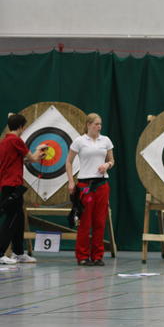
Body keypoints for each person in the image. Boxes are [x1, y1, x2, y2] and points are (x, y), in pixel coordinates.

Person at [65, 113, 114, 266]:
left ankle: (97, 256)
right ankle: (82, 256)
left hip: (102, 185)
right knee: (85, 222)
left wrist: (107, 165)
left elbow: (112, 160)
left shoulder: (106, 140)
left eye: (100, 124)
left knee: (100, 222)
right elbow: (68, 162)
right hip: (85, 186)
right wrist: (71, 181)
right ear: (88, 125)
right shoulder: (79, 141)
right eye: (96, 124)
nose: (99, 127)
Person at [0, 114, 47, 265]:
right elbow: (32, 158)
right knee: (12, 218)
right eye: (24, 126)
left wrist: (36, 155)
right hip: (12, 185)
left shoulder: (5, 141)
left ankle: (18, 253)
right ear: (21, 127)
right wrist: (39, 150)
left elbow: (22, 159)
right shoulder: (16, 140)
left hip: (8, 185)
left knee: (19, 219)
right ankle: (0, 253)